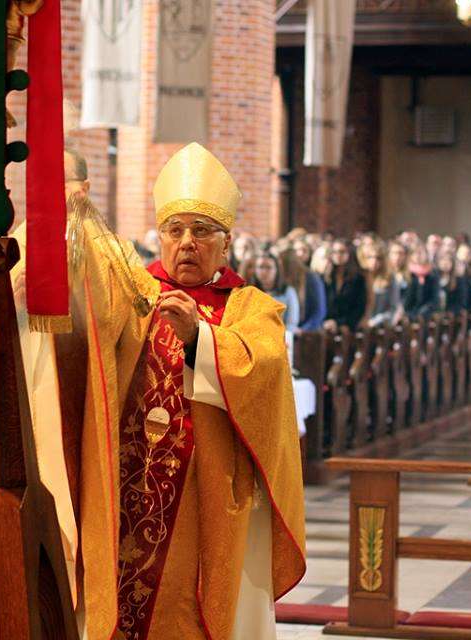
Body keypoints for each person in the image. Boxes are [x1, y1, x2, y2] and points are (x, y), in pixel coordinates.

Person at [17, 143, 305, 640]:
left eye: (202, 230)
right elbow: (88, 324)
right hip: (124, 494)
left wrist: (199, 338)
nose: (187, 242)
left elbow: (263, 370)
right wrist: (44, 281)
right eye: (175, 230)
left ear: (227, 242)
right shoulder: (135, 293)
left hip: (206, 502)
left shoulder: (251, 307)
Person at [322, 239, 366, 331]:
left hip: (348, 327)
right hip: (325, 325)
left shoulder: (358, 279)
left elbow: (359, 307)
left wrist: (340, 323)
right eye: (334, 252)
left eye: (342, 252)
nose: (338, 255)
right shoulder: (324, 278)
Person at [281, 247, 327, 331]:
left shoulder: (311, 278)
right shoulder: (279, 280)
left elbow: (319, 311)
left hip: (307, 330)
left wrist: (303, 330)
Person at [251, 253, 299, 331]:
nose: (264, 271)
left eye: (268, 267)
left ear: (276, 270)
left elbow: (291, 324)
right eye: (260, 267)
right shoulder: (250, 292)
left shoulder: (288, 292)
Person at [359, 241, 401, 327]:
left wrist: (374, 322)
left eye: (378, 258)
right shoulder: (359, 278)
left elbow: (393, 308)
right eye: (370, 257)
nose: (374, 261)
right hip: (359, 324)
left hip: (380, 326)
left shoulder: (390, 278)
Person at [403, 244, 439, 319]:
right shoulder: (406, 272)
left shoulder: (432, 273)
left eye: (420, 253)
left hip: (425, 314)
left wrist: (422, 313)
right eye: (415, 253)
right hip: (407, 313)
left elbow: (434, 299)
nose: (418, 256)